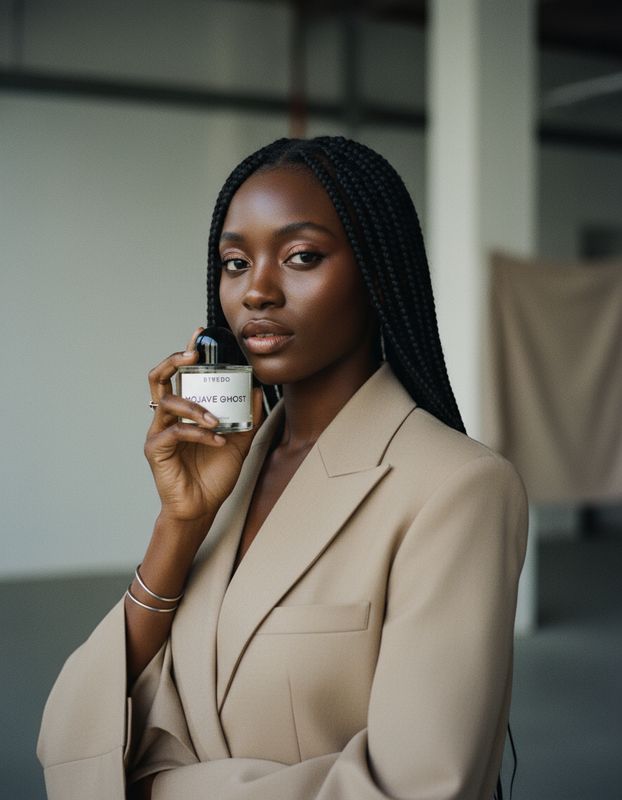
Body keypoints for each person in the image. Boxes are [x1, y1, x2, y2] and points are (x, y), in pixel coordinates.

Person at [37, 136, 528, 800]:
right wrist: (181, 524)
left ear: (378, 273)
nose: (257, 291)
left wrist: (161, 790)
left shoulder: (459, 488)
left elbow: (417, 786)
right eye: (235, 263)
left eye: (301, 257)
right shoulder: (233, 472)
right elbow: (79, 729)